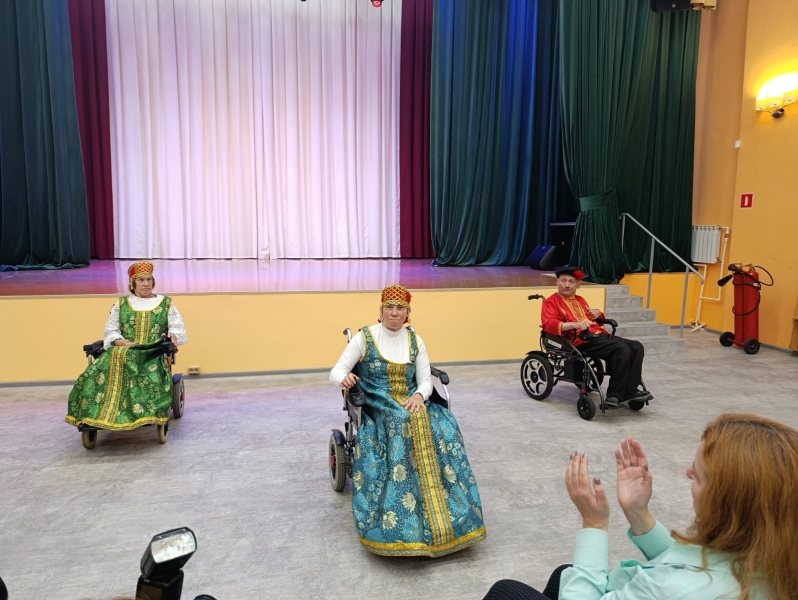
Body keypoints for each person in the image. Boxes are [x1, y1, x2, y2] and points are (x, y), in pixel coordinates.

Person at [483, 412, 798, 600]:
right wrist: (638, 513)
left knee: (505, 591)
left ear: (730, 503)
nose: (688, 472)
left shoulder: (671, 589)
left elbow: (676, 580)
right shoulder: (776, 554)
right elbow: (698, 563)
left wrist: (594, 524)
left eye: (700, 476)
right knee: (564, 574)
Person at [330, 284, 486, 557]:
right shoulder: (365, 338)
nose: (394, 313)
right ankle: (401, 518)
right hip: (377, 403)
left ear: (407, 313)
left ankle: (447, 512)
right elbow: (336, 371)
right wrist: (345, 378)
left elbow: (425, 381)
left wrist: (419, 395)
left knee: (444, 426)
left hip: (411, 400)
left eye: (400, 308)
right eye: (389, 307)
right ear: (381, 311)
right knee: (402, 423)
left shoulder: (416, 340)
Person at [66, 261, 188, 431]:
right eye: (141, 280)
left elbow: (178, 328)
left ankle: (139, 414)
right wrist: (118, 341)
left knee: (145, 372)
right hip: (123, 350)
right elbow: (111, 330)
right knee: (97, 371)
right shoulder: (121, 304)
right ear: (132, 283)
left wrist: (172, 334)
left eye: (148, 280)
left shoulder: (166, 303)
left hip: (152, 352)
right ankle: (94, 415)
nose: (146, 284)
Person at [540, 266, 651, 407]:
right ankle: (615, 395)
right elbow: (549, 324)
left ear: (578, 285)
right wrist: (575, 324)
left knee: (636, 346)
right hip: (579, 340)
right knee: (621, 348)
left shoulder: (580, 300)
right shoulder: (550, 302)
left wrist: (598, 313)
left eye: (571, 282)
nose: (566, 285)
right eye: (563, 280)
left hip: (598, 335)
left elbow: (594, 320)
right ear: (557, 282)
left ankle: (631, 391)